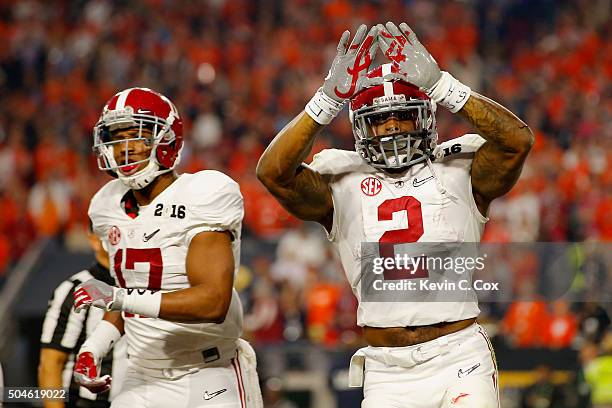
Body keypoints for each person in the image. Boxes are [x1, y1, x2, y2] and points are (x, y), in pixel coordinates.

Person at [257, 22, 534, 407]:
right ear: (359, 128)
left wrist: (443, 86)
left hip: (458, 355)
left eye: (402, 116)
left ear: (424, 117)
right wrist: (326, 100)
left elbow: (518, 140)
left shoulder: (459, 168)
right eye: (378, 119)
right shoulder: (341, 179)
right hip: (388, 370)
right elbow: (272, 173)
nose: (390, 127)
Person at [71, 87, 262, 407]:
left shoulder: (204, 192)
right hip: (141, 373)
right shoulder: (105, 205)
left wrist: (118, 297)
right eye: (115, 138)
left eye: (136, 136)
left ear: (167, 139)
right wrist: (94, 346)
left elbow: (213, 302)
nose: (123, 149)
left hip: (206, 371)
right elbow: (131, 292)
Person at [39, 228, 126, 408]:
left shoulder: (145, 285)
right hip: (85, 402)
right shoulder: (75, 289)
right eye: (112, 230)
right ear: (94, 240)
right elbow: (50, 363)